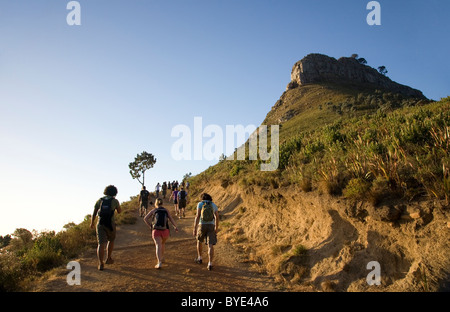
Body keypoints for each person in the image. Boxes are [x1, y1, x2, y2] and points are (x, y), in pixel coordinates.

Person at [90, 185, 122, 271]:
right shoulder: (114, 201)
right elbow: (119, 211)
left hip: (100, 223)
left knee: (101, 244)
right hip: (110, 224)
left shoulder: (99, 200)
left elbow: (94, 213)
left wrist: (92, 223)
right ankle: (108, 258)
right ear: (115, 192)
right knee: (111, 240)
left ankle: (100, 263)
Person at [143, 198, 178, 269]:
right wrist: (175, 227)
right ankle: (162, 257)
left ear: (156, 203)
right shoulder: (166, 211)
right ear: (162, 203)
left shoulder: (154, 210)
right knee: (162, 244)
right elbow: (171, 219)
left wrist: (151, 226)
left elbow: (145, 218)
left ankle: (159, 262)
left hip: (156, 230)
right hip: (165, 231)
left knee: (158, 245)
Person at [193, 193, 219, 270]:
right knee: (210, 245)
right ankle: (210, 263)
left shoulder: (200, 204)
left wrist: (195, 228)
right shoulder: (213, 205)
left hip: (202, 225)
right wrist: (216, 228)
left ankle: (199, 258)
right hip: (211, 225)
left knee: (199, 241)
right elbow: (217, 217)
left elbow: (197, 216)